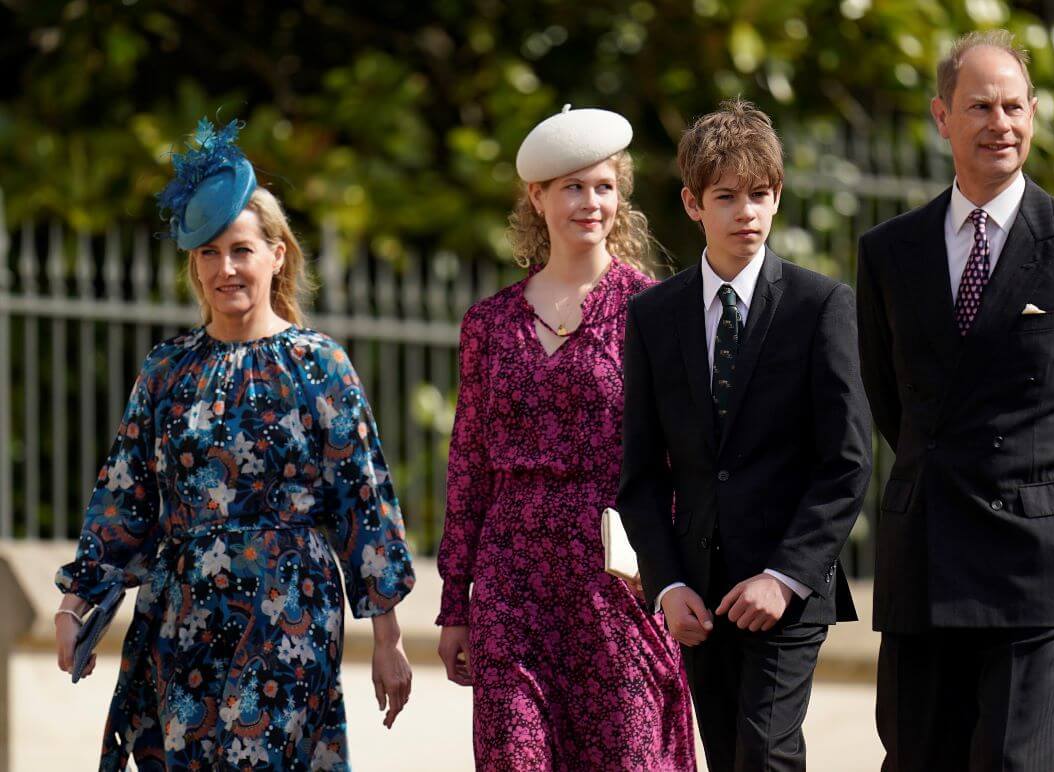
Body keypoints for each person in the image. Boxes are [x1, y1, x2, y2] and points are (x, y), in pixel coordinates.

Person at [53, 118, 416, 770]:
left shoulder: (318, 364)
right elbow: (123, 493)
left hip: (289, 609)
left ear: (277, 254)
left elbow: (363, 498)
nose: (226, 268)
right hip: (183, 612)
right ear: (194, 265)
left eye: (242, 249)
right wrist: (76, 600)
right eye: (209, 253)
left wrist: (388, 638)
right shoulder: (168, 369)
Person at [856, 30, 1054, 771]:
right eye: (981, 105)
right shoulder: (889, 251)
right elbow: (889, 396)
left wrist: (1049, 484)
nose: (1001, 123)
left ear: (1034, 115)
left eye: (1015, 106)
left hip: (1042, 564)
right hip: (926, 556)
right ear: (941, 117)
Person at [434, 106, 695, 770]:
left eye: (604, 186)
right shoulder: (488, 324)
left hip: (616, 583)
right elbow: (468, 468)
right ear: (537, 197)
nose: (590, 202)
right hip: (510, 585)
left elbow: (681, 458)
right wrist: (453, 605)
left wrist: (672, 578)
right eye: (573, 187)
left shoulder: (654, 310)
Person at [617, 98, 873, 771]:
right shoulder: (652, 317)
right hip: (698, 595)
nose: (747, 213)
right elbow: (641, 477)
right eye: (726, 196)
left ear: (778, 196)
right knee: (730, 757)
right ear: (693, 203)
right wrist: (667, 586)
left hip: (787, 591)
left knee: (766, 754)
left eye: (761, 195)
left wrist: (785, 577)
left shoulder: (821, 306)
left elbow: (847, 461)